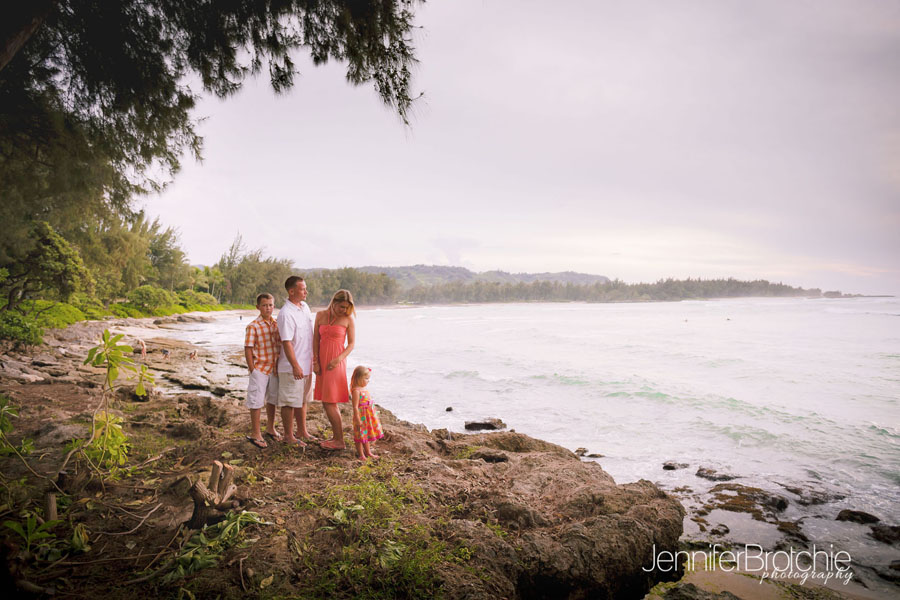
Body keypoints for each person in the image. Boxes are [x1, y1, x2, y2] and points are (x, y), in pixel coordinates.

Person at [313, 289, 356, 450]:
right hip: (322, 361)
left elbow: (351, 344)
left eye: (346, 307)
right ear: (334, 302)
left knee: (330, 402)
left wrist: (338, 359)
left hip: (336, 362)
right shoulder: (320, 315)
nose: (343, 310)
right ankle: (336, 437)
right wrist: (315, 362)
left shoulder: (348, 319)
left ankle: (339, 441)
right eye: (341, 307)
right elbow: (315, 340)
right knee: (327, 401)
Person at [276, 276, 316, 446]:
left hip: (307, 364)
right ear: (291, 291)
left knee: (303, 400)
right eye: (302, 289)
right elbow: (286, 342)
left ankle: (302, 431)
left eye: (305, 288)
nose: (306, 291)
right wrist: (295, 365)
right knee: (289, 402)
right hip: (292, 366)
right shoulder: (286, 313)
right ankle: (288, 436)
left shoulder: (305, 307)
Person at [244, 293, 281, 449]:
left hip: (274, 369)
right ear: (258, 307)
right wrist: (252, 369)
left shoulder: (276, 323)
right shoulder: (253, 326)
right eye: (265, 305)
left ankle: (270, 427)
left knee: (272, 399)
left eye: (271, 305)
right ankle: (255, 433)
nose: (268, 308)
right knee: (256, 400)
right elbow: (248, 348)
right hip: (260, 368)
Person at [350, 365, 383, 461]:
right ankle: (361, 454)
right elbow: (355, 406)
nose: (368, 381)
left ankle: (368, 452)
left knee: (366, 434)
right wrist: (357, 418)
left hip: (368, 416)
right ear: (359, 378)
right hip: (361, 416)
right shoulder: (356, 391)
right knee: (359, 435)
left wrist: (374, 412)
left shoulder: (364, 388)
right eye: (366, 379)